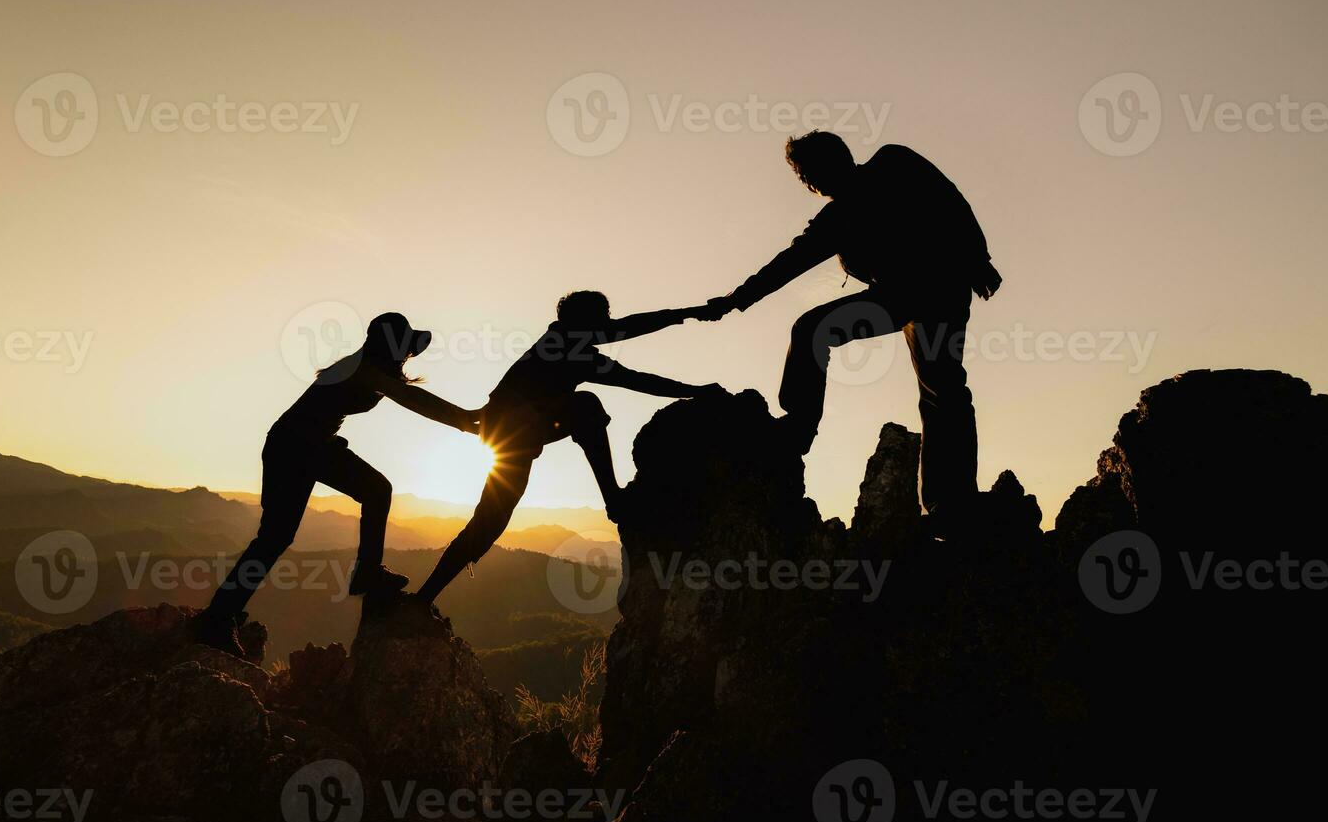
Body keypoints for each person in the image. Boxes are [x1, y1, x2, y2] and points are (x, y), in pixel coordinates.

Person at [701, 131, 1002, 524]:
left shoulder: (892, 164)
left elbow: (949, 200)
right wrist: (735, 299)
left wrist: (977, 260)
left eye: (813, 173)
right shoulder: (837, 218)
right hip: (905, 298)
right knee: (821, 333)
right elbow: (789, 263)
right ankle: (801, 431)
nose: (813, 182)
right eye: (809, 176)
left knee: (939, 389)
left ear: (833, 164)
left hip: (936, 291)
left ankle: (950, 503)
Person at [194, 312, 479, 656]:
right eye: (404, 349)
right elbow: (413, 400)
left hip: (307, 444)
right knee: (280, 534)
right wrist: (468, 421)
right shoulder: (367, 369)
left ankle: (221, 614)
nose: (407, 358)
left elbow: (408, 397)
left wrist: (471, 418)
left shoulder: (364, 366)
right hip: (298, 446)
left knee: (281, 534)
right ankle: (219, 617)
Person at [414, 291, 725, 604]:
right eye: (601, 319)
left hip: (509, 435)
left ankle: (423, 597)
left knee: (489, 522)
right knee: (585, 407)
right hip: (513, 433)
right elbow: (634, 374)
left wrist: (686, 313)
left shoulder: (561, 341)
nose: (607, 326)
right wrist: (694, 389)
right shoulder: (568, 348)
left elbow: (628, 333)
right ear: (586, 321)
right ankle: (613, 498)